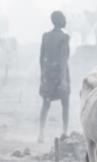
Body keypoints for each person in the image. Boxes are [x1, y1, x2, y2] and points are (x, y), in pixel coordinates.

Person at [38, 11, 70, 144]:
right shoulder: (65, 37)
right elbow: (63, 58)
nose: (65, 20)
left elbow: (41, 57)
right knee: (65, 102)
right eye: (63, 18)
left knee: (46, 103)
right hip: (60, 72)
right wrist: (63, 78)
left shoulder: (45, 36)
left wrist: (43, 73)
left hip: (47, 72)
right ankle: (64, 131)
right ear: (60, 21)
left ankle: (41, 134)